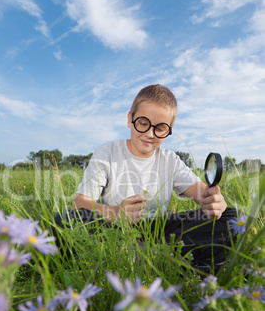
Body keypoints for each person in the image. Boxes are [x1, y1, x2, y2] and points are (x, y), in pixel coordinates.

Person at [53, 84, 236, 272]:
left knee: (230, 217)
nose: (150, 134)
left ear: (169, 130)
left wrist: (214, 202)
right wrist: (115, 212)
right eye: (142, 123)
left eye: (161, 128)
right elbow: (79, 203)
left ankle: (138, 258)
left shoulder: (170, 159)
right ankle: (170, 261)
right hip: (116, 230)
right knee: (65, 220)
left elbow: (202, 194)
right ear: (129, 119)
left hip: (160, 230)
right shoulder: (107, 152)